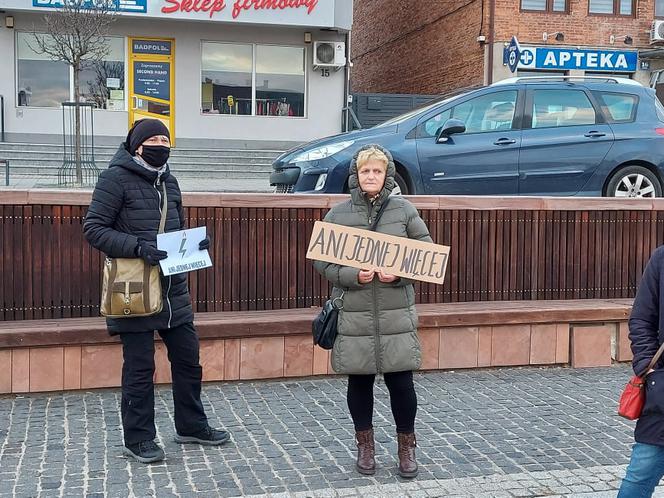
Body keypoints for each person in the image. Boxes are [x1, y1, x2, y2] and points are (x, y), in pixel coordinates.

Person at [84, 118, 230, 464]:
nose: (161, 145)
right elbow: (94, 229)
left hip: (173, 290)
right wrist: (138, 247)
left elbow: (173, 229)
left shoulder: (170, 182)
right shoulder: (114, 179)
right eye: (154, 140)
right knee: (139, 368)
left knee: (188, 360)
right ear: (137, 146)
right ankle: (138, 439)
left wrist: (194, 244)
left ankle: (191, 425)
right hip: (134, 289)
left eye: (166, 139)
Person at [313, 144, 433, 478]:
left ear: (386, 175)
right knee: (360, 383)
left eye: (377, 171)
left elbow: (424, 253)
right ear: (356, 175)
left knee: (402, 384)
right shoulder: (338, 214)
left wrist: (401, 273)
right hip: (355, 311)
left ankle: (406, 448)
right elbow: (323, 261)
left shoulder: (405, 211)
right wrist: (353, 275)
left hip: (396, 313)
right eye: (365, 171)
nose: (370, 176)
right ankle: (365, 447)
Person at [618, 246, 664, 496]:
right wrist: (649, 369)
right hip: (663, 396)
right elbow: (642, 319)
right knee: (638, 480)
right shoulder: (662, 258)